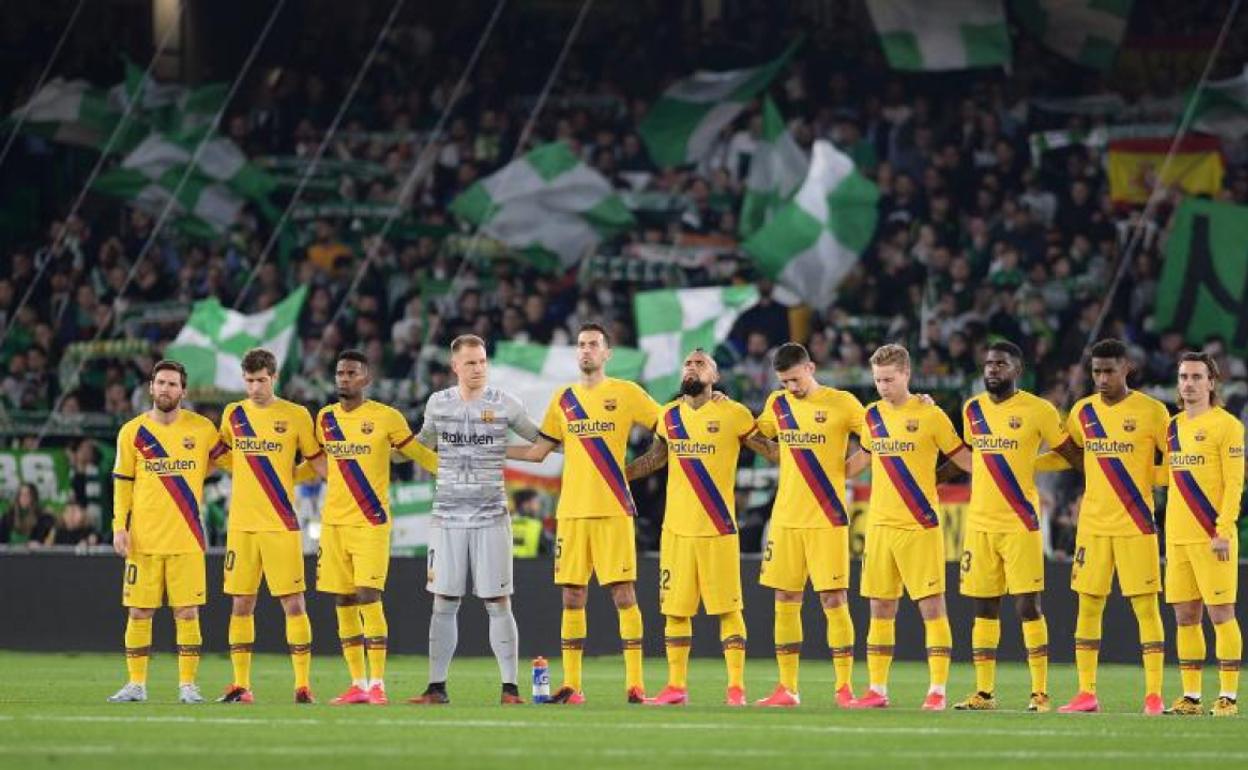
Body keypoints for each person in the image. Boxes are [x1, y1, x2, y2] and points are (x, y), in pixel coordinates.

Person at [508, 323, 661, 704]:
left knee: (623, 594)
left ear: (607, 353)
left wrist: (640, 467)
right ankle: (573, 686)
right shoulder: (564, 398)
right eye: (581, 345)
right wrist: (492, 449)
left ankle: (635, 684)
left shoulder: (626, 393)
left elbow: (670, 428)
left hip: (613, 509)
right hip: (573, 512)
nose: (587, 350)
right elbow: (538, 452)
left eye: (594, 344)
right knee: (573, 597)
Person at [626, 349, 778, 706]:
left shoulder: (734, 413)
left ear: (716, 376)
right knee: (675, 611)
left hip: (718, 528)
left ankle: (736, 688)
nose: (691, 367)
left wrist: (807, 437)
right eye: (688, 363)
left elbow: (772, 451)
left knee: (729, 609)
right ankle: (676, 687)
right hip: (677, 530)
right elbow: (655, 458)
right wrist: (621, 476)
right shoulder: (668, 416)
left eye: (700, 363)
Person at [408, 334, 541, 706]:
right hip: (446, 517)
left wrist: (503, 449)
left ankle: (510, 689)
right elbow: (422, 444)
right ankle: (436, 687)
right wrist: (387, 448)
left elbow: (541, 443)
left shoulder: (504, 404)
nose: (478, 368)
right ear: (454, 367)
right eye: (470, 363)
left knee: (498, 601)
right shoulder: (438, 403)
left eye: (482, 361)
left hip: (491, 517)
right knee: (444, 600)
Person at [953, 340, 1081, 712]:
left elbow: (1069, 452)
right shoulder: (972, 409)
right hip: (979, 524)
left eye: (1001, 364)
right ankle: (984, 692)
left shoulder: (1039, 410)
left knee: (1027, 606)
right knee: (984, 608)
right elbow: (971, 458)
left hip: (1021, 521)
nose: (993, 369)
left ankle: (1040, 692)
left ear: (1017, 369)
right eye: (989, 363)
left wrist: (1041, 467)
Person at [845, 344, 972, 710]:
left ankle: (937, 691)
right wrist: (824, 473)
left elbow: (962, 458)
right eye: (878, 380)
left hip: (919, 524)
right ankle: (877, 690)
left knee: (932, 608)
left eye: (889, 379)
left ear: (906, 375)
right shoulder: (871, 416)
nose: (883, 386)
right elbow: (862, 460)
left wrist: (999, 470)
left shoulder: (931, 415)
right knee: (880, 609)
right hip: (880, 526)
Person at [1053, 339, 1171, 715]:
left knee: (1146, 609)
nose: (1101, 378)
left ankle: (1153, 695)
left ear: (1127, 369)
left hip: (1136, 524)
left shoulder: (1153, 412)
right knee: (1088, 607)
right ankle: (1086, 693)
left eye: (1109, 371)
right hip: (1092, 526)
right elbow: (1068, 457)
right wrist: (1025, 464)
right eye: (1096, 371)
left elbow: (1175, 465)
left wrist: (1145, 475)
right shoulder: (1082, 412)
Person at [314, 349, 437, 705]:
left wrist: (452, 472)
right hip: (333, 523)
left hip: (370, 521)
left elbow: (416, 453)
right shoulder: (324, 419)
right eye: (340, 373)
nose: (344, 379)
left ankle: (378, 684)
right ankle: (357, 683)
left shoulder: (385, 417)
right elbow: (317, 462)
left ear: (366, 378)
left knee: (369, 594)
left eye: (352, 373)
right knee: (344, 598)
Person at [107, 359, 230, 704]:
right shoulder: (133, 432)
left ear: (183, 391)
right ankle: (136, 685)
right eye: (160, 382)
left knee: (187, 613)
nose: (166, 389)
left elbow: (230, 461)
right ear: (151, 387)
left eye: (173, 384)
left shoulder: (202, 428)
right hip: (142, 539)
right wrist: (119, 526)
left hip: (187, 538)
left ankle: (188, 686)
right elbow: (122, 484)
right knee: (139, 612)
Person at [753, 342, 864, 708]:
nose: (792, 389)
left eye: (796, 380)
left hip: (826, 516)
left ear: (811, 368)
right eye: (785, 382)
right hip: (786, 519)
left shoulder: (843, 403)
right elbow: (754, 433)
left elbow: (878, 438)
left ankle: (844, 688)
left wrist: (846, 471)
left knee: (833, 598)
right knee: (785, 598)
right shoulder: (777, 404)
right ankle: (787, 688)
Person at [217, 349, 324, 705]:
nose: (255, 387)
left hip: (281, 524)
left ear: (274, 377)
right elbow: (220, 454)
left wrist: (293, 475)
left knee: (293, 604)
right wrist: (246, 470)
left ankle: (303, 685)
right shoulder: (233, 414)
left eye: (261, 380)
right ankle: (241, 686)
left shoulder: (295, 415)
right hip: (242, 526)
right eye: (248, 381)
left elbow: (316, 460)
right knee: (241, 605)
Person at [1163, 351, 1243, 717]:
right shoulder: (1173, 426)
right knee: (1185, 617)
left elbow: (1234, 483)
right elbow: (1168, 479)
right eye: (1183, 377)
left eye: (1196, 377)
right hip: (1177, 537)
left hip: (1213, 535)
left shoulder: (1227, 426)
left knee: (1221, 613)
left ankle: (1228, 695)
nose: (1189, 384)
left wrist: (1224, 530)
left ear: (1212, 382)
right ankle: (1191, 696)